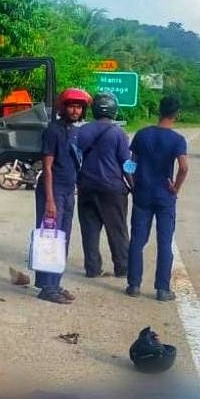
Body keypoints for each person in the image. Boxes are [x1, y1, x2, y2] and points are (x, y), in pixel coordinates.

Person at [125, 96, 188, 301]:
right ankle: (162, 289)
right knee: (164, 242)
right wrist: (176, 188)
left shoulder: (142, 134)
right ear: (176, 114)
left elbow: (130, 163)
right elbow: (184, 167)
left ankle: (133, 284)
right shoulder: (177, 140)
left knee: (137, 240)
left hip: (143, 193)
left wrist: (133, 182)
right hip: (164, 196)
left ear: (159, 111)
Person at [34, 87, 91, 304]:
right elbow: (47, 167)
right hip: (53, 191)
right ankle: (47, 287)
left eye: (79, 107)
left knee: (62, 239)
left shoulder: (73, 131)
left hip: (68, 192)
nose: (75, 110)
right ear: (63, 107)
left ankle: (54, 283)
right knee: (49, 239)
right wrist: (49, 199)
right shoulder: (53, 130)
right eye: (72, 106)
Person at [76, 92, 131, 278]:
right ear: (114, 110)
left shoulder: (82, 131)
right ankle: (122, 267)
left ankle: (92, 268)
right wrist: (134, 185)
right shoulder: (119, 133)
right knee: (117, 230)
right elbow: (126, 163)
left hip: (87, 186)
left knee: (89, 230)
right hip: (112, 189)